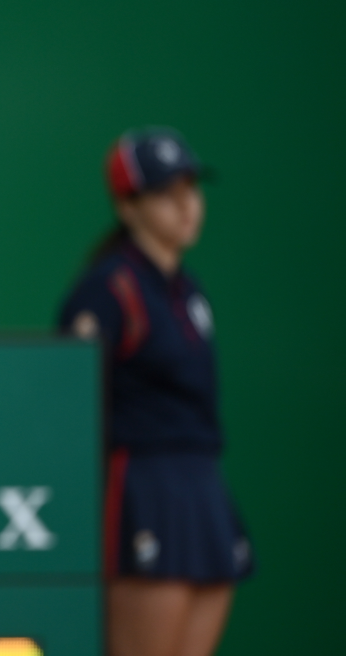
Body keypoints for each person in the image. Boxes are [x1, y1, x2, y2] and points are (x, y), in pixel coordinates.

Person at [58, 128, 253, 656]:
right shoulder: (107, 289)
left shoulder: (190, 290)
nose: (186, 205)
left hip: (204, 483)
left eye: (191, 188)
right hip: (144, 490)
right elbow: (67, 404)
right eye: (166, 192)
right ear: (127, 206)